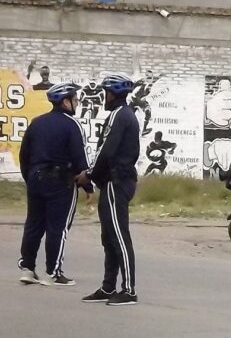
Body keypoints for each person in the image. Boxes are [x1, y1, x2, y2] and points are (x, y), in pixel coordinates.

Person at [18, 83, 93, 286]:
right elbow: (80, 157)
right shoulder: (72, 124)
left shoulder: (37, 123)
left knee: (33, 224)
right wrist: (88, 186)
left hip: (35, 178)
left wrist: (29, 177)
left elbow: (24, 154)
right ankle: (53, 272)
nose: (77, 103)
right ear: (65, 101)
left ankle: (27, 268)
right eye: (75, 99)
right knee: (57, 227)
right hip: (61, 181)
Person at [82, 74, 141, 306]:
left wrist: (89, 174)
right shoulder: (122, 115)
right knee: (108, 237)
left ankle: (129, 290)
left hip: (118, 182)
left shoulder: (120, 116)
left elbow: (106, 151)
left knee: (119, 235)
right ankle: (108, 286)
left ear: (114, 93)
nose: (103, 97)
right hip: (111, 183)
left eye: (105, 92)